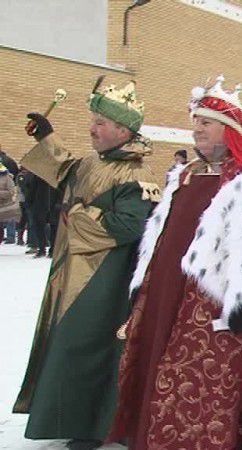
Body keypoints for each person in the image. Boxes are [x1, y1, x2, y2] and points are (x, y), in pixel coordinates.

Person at [108, 76, 242, 449]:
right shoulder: (185, 176)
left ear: (230, 131)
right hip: (167, 295)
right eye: (195, 124)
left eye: (205, 124)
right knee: (157, 370)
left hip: (212, 304)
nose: (197, 131)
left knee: (201, 387)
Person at [14, 81, 159, 450]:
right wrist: (46, 137)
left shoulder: (136, 174)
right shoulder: (95, 161)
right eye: (93, 120)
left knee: (90, 347)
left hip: (104, 278)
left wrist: (75, 215)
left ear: (123, 131)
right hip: (73, 271)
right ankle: (71, 417)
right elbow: (66, 171)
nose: (92, 128)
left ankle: (95, 426)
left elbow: (128, 226)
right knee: (68, 344)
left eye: (100, 122)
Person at [0, 163, 20, 241]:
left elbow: (11, 192)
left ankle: (10, 237)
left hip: (4, 204)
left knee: (4, 224)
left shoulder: (7, 177)